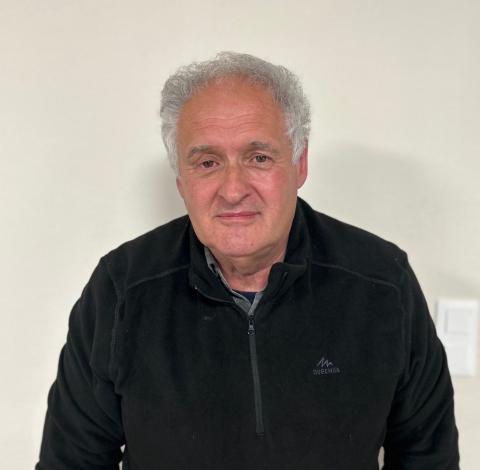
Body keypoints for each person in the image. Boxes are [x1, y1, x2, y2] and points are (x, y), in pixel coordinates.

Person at [36, 51, 459, 470]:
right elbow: (71, 463)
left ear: (300, 164)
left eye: (258, 158)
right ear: (181, 180)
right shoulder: (121, 289)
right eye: (207, 162)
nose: (233, 189)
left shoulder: (381, 282)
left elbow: (428, 459)